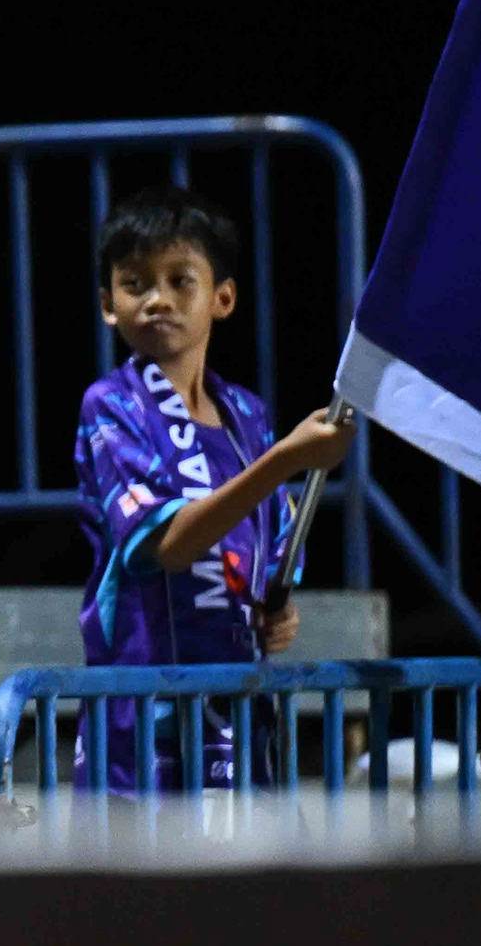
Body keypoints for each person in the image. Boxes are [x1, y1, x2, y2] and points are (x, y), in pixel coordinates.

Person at [74, 185, 352, 792]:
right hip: (143, 720)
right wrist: (285, 460)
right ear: (108, 304)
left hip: (237, 717)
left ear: (222, 298)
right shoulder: (112, 406)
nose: (158, 299)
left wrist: (277, 611)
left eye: (181, 280)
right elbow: (169, 546)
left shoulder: (247, 416)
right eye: (135, 284)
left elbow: (269, 553)